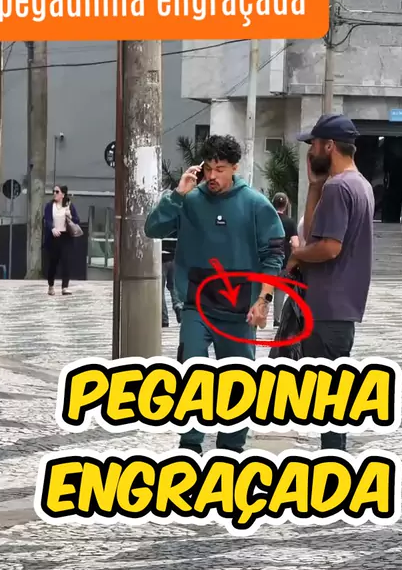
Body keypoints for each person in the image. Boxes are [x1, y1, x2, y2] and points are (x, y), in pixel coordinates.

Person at [144, 133, 285, 454]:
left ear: (235, 168)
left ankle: (231, 449)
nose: (212, 175)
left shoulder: (256, 205)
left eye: (220, 169)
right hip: (196, 305)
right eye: (207, 168)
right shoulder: (190, 200)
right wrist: (177, 194)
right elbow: (153, 229)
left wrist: (263, 300)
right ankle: (190, 445)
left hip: (239, 310)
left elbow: (274, 256)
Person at [287, 113, 374, 452]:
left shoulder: (339, 188)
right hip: (340, 309)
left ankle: (334, 466)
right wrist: (314, 187)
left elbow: (328, 247)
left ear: (329, 146)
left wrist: (298, 255)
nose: (310, 152)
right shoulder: (358, 184)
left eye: (314, 145)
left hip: (326, 308)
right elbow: (315, 236)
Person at [43, 185, 80, 296]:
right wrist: (52, 228)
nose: (54, 193)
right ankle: (51, 286)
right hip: (54, 237)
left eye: (57, 191)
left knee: (66, 261)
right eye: (53, 191)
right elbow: (47, 220)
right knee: (53, 262)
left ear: (63, 194)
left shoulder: (69, 206)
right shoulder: (50, 206)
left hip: (66, 237)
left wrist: (70, 216)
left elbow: (77, 220)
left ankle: (65, 287)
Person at [271, 193, 300, 327]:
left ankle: (259, 314)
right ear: (286, 205)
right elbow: (295, 244)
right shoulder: (290, 222)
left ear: (273, 203)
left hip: (267, 259)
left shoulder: (267, 219)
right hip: (283, 260)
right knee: (279, 291)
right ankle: (277, 319)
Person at [161, 242, 182, 328]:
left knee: (159, 291)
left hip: (161, 260)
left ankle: (164, 319)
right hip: (174, 258)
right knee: (173, 287)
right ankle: (178, 306)